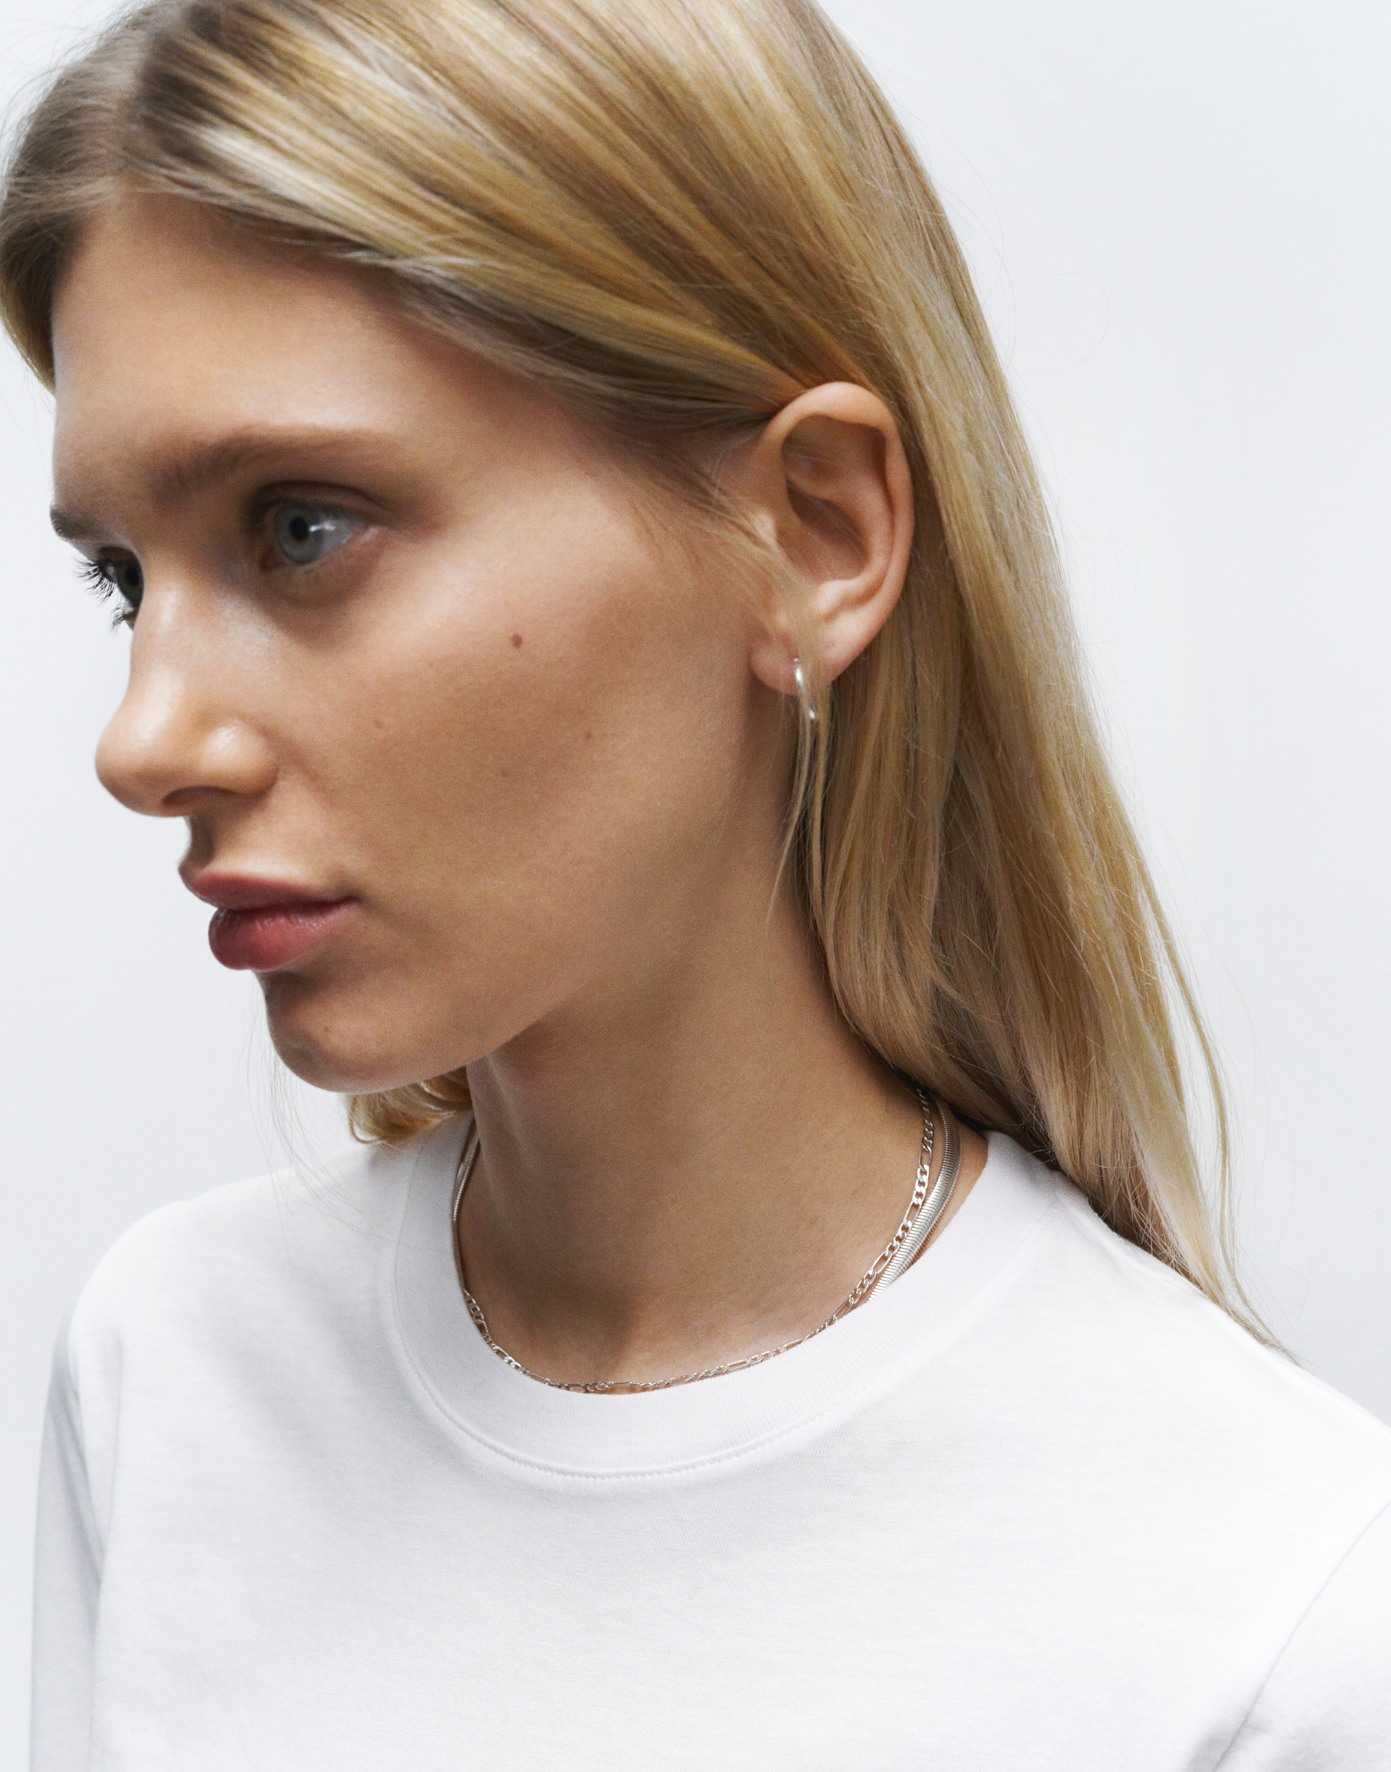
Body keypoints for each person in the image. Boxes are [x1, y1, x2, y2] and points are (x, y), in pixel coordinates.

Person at [4, 0, 1389, 1765]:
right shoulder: (176, 1374)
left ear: (815, 533)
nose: (144, 742)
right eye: (127, 579)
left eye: (303, 527)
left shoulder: (1272, 1608)